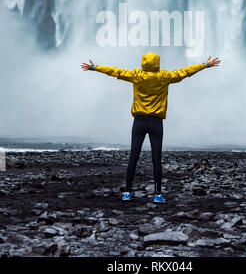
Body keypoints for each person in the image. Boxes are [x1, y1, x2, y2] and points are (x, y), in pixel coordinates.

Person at [81, 52, 220, 203]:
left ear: (143, 63)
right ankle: (157, 194)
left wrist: (95, 67)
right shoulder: (164, 76)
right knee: (156, 159)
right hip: (156, 122)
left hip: (139, 121)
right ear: (157, 63)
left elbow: (115, 71)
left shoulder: (136, 75)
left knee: (133, 157)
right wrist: (205, 65)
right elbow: (185, 72)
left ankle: (127, 193)